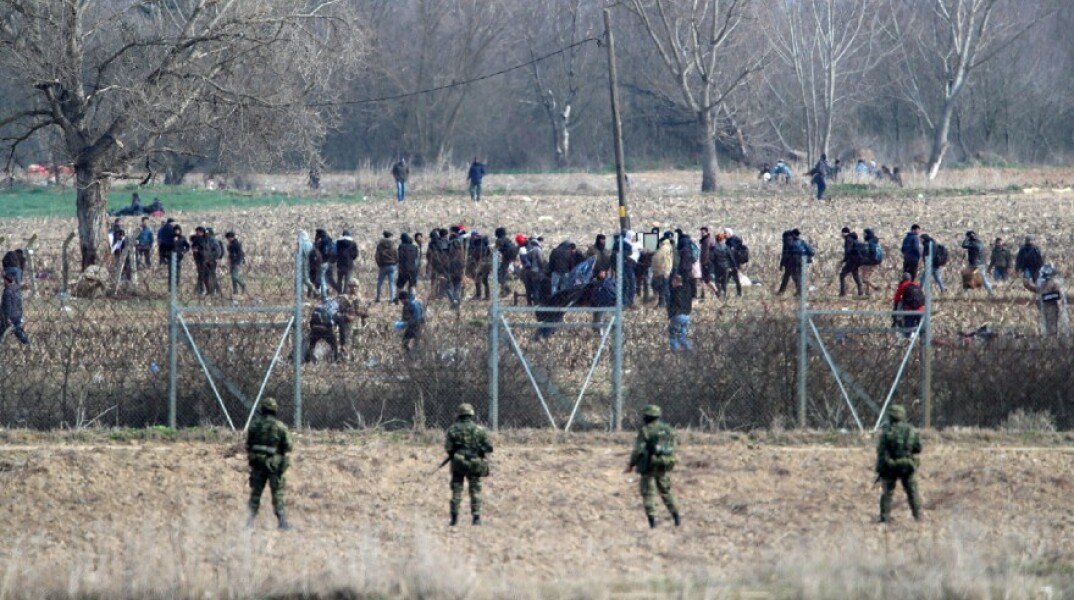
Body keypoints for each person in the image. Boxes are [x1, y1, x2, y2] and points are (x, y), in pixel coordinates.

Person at [624, 404, 680, 529]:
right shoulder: (668, 429)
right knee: (666, 492)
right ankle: (676, 517)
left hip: (649, 466)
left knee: (648, 494)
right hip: (664, 464)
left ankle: (652, 522)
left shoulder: (646, 430)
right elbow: (673, 447)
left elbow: (638, 450)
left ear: (647, 416)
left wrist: (631, 464)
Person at [246, 397, 293, 530]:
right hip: (274, 465)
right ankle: (282, 522)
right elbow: (288, 446)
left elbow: (249, 444)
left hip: (257, 463)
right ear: (275, 410)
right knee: (277, 493)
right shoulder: (280, 427)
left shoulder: (254, 426)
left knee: (255, 493)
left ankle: (249, 522)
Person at [444, 403, 493, 526]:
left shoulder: (452, 429)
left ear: (459, 414)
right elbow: (489, 447)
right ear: (471, 414)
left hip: (458, 463)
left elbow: (448, 448)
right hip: (475, 462)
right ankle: (476, 517)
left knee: (456, 490)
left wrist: (455, 453)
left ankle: (454, 518)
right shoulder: (480, 430)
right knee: (475, 490)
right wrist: (479, 451)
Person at [875, 404, 922, 523]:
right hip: (907, 465)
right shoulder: (911, 430)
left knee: (887, 494)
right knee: (912, 492)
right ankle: (918, 517)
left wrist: (880, 469)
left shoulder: (887, 431)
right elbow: (918, 448)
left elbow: (881, 452)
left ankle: (884, 518)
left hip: (890, 467)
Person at [1026, 264, 1071, 337]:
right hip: (1044, 307)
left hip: (1051, 307)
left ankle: (1053, 338)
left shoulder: (1053, 283)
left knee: (1052, 325)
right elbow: (1037, 290)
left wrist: (1047, 298)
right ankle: (1048, 337)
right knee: (1045, 325)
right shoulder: (1042, 283)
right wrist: (1028, 285)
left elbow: (1057, 296)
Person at [305, 295, 341, 363]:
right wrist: (343, 343)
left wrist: (313, 326)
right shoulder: (335, 311)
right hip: (325, 330)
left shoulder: (318, 307)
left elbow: (311, 321)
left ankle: (307, 359)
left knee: (312, 344)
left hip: (315, 328)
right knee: (334, 344)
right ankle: (336, 358)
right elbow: (333, 324)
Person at [777, 229, 813, 296]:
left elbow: (784, 253)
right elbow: (811, 252)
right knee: (796, 277)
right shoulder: (802, 241)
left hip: (791, 261)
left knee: (791, 277)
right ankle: (798, 291)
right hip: (802, 261)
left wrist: (782, 263)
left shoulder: (788, 242)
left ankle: (797, 292)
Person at [960, 231, 993, 296]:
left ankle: (990, 293)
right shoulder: (979, 242)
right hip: (977, 264)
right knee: (968, 278)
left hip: (976, 265)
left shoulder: (975, 244)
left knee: (981, 279)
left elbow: (963, 245)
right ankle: (965, 294)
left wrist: (967, 238)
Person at [0, 274, 29, 346]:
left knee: (1, 331)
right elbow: (19, 304)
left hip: (9, 316)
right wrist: (20, 314)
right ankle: (27, 343)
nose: (3, 282)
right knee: (18, 331)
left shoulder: (7, 291)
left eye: (4, 280)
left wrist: (7, 318)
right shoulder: (17, 290)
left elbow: (7, 306)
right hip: (17, 315)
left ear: (6, 281)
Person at [666, 275, 693, 351]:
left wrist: (670, 316)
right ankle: (689, 351)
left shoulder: (674, 291)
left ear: (675, 281)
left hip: (677, 315)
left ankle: (675, 352)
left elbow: (673, 304)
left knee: (673, 335)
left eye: (672, 281)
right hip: (686, 316)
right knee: (682, 337)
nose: (671, 283)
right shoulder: (687, 290)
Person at [838, 229, 865, 297]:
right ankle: (860, 291)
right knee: (855, 273)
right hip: (858, 260)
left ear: (844, 233)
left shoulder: (848, 239)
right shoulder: (854, 239)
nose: (841, 235)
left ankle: (842, 292)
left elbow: (848, 251)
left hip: (852, 259)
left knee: (842, 275)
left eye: (842, 233)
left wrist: (843, 260)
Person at [374, 231, 398, 303]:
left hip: (383, 265)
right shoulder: (393, 245)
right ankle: (391, 299)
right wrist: (395, 263)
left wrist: (379, 264)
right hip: (392, 265)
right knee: (391, 283)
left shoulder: (380, 245)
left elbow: (377, 256)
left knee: (380, 282)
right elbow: (396, 255)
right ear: (390, 236)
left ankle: (378, 298)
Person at [650, 236, 674, 308]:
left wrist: (655, 270)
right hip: (665, 270)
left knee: (663, 288)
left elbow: (657, 259)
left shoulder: (663, 248)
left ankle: (667, 303)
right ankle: (662, 303)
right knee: (662, 288)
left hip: (662, 271)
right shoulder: (667, 247)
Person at [860, 228, 883, 296]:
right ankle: (867, 292)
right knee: (868, 277)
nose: (863, 235)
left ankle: (875, 287)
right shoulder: (875, 241)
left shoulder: (870, 242)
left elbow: (870, 252)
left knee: (864, 279)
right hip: (876, 261)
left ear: (868, 234)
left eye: (864, 234)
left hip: (870, 261)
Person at [224, 231, 247, 296]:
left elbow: (240, 255)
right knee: (232, 277)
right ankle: (235, 290)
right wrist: (229, 261)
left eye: (229, 238)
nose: (228, 239)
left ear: (233, 237)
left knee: (234, 276)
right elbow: (230, 254)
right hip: (232, 262)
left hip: (237, 262)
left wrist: (237, 263)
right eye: (228, 238)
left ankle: (243, 284)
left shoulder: (237, 244)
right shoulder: (230, 244)